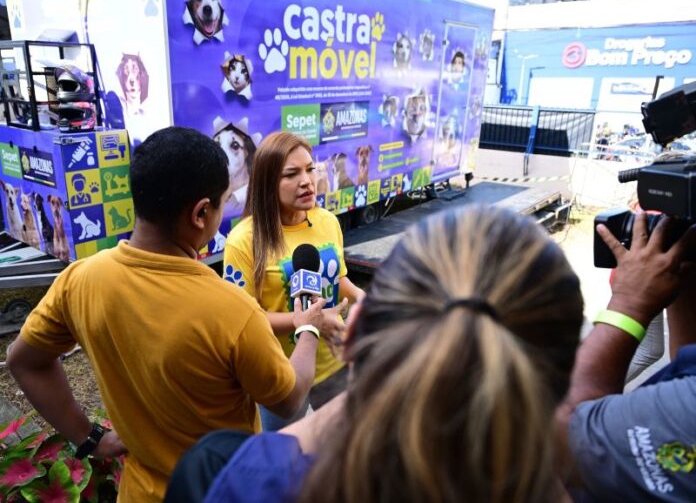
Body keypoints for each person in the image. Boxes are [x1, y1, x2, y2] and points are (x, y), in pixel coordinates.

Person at [7, 126, 324, 502]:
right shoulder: (232, 310)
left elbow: (23, 360)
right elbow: (288, 400)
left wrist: (89, 439)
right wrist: (307, 329)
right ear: (201, 213)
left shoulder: (80, 279)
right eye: (223, 202)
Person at [195, 204, 584, 502]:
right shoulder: (579, 478)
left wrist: (311, 329)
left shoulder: (236, 476)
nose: (306, 181)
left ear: (355, 330)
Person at [223, 131, 364, 430]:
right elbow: (243, 321)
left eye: (310, 169)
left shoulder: (327, 221)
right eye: (291, 174)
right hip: (281, 374)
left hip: (335, 361)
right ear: (267, 182)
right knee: (283, 454)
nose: (307, 181)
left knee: (345, 445)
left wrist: (366, 299)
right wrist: (311, 321)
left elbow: (338, 279)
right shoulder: (243, 240)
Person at [557, 212, 696, 501]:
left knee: (648, 350)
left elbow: (566, 432)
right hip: (652, 281)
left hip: (642, 285)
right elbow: (687, 364)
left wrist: (629, 304)